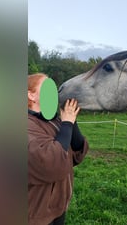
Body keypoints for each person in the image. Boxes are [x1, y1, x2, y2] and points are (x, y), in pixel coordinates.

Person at [28, 73, 89, 225]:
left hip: (57, 209)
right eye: (47, 88)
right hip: (35, 214)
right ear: (31, 95)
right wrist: (67, 123)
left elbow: (76, 153)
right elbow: (51, 164)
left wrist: (70, 122)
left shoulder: (52, 121)